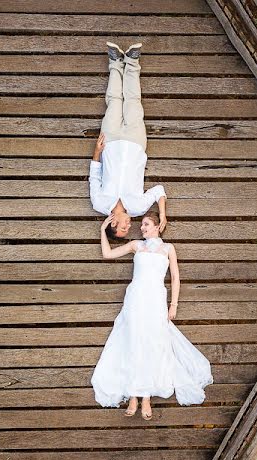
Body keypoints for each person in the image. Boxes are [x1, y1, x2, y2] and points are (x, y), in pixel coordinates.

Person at [90, 211, 213, 420]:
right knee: (134, 342)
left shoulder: (168, 248)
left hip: (156, 300)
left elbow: (175, 277)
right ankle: (132, 395)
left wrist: (173, 304)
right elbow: (107, 254)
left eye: (146, 225)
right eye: (142, 225)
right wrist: (103, 230)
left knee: (152, 343)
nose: (142, 228)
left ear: (157, 226)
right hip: (135, 299)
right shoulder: (136, 245)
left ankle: (145, 396)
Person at [89, 42, 167, 239]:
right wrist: (163, 215)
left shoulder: (99, 203)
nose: (129, 226)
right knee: (133, 102)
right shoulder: (138, 208)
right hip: (135, 143)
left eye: (123, 228)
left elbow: (95, 176)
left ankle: (115, 62)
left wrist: (97, 151)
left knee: (114, 101)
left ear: (113, 223)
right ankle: (132, 61)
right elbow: (158, 190)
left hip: (110, 142)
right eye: (128, 229)